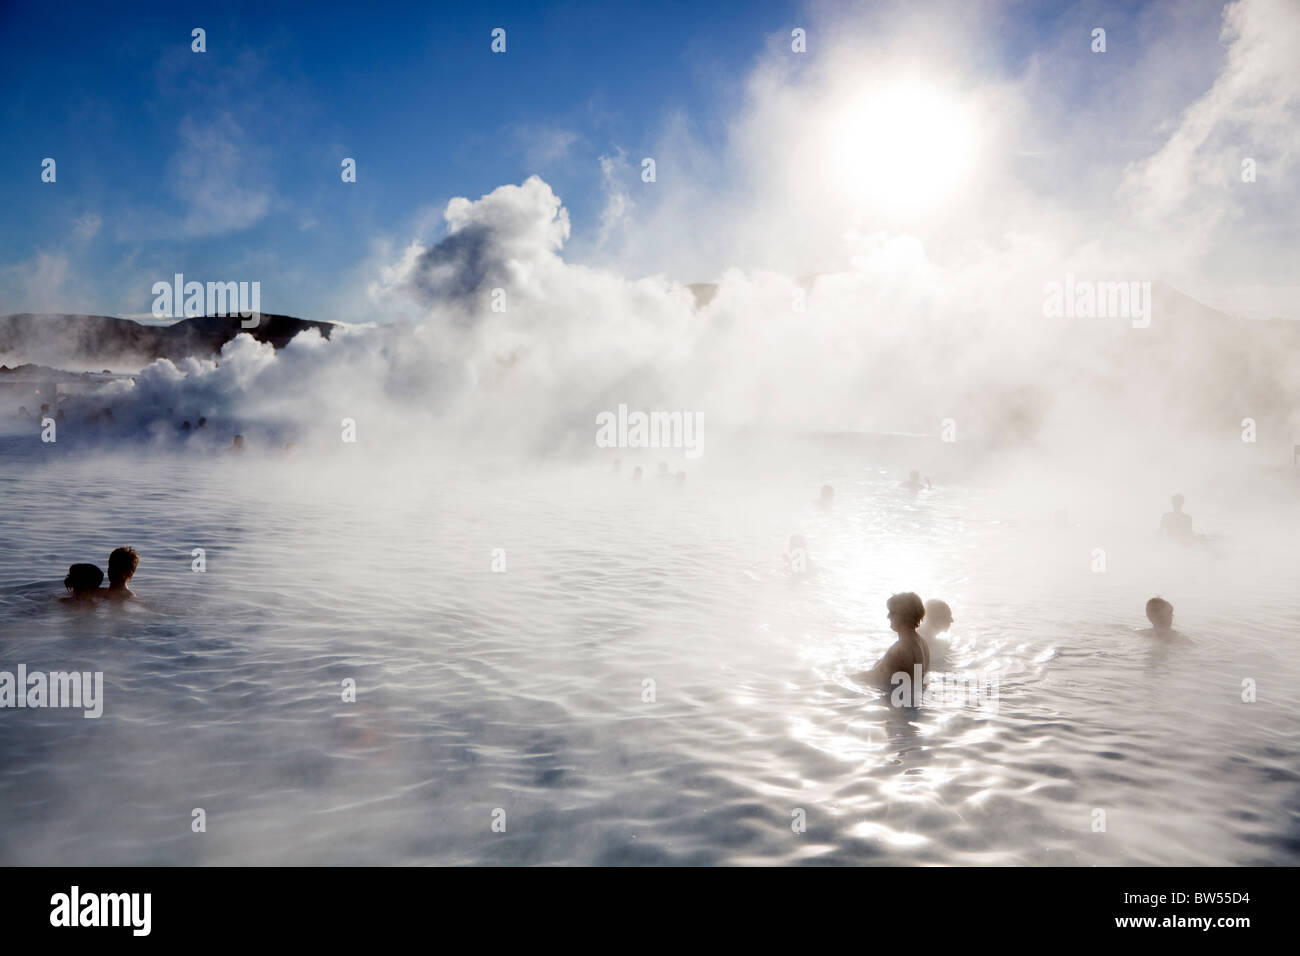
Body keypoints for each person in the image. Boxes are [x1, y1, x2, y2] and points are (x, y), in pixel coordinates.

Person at [857, 592, 930, 698]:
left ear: (903, 615)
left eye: (892, 612)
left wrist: (840, 679)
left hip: (899, 706)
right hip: (912, 703)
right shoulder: (923, 643)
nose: (888, 616)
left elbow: (872, 678)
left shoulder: (901, 648)